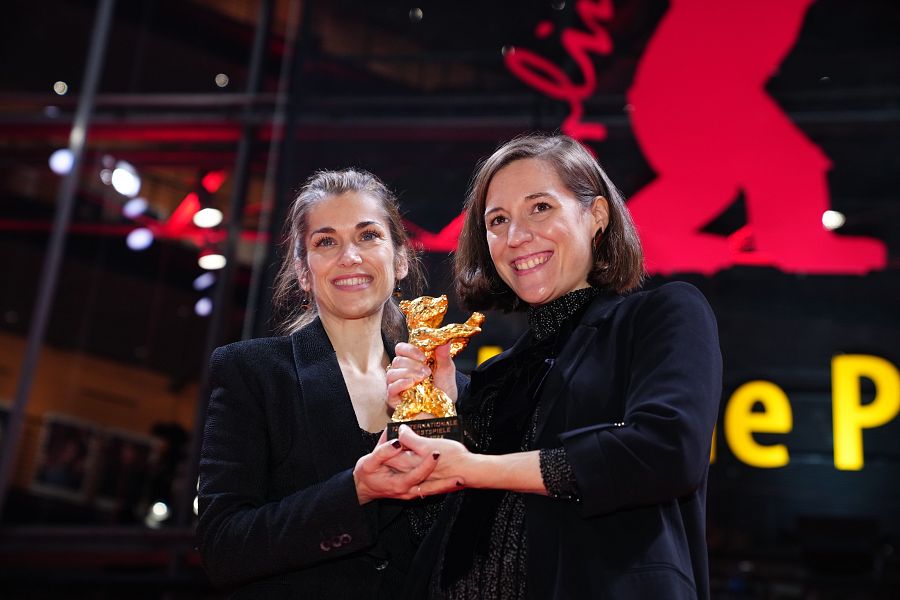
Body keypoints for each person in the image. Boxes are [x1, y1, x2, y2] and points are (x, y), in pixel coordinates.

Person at [387, 133, 723, 599]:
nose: (515, 236)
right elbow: (432, 529)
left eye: (540, 207)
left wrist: (479, 468)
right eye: (497, 220)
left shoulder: (660, 315)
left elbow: (668, 452)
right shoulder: (493, 377)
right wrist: (435, 416)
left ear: (596, 216)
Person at [197, 168, 463, 599]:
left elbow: (458, 550)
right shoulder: (253, 372)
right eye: (326, 242)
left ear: (400, 260)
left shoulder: (449, 389)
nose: (350, 257)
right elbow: (224, 548)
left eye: (368, 236)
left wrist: (442, 428)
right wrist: (355, 491)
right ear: (303, 271)